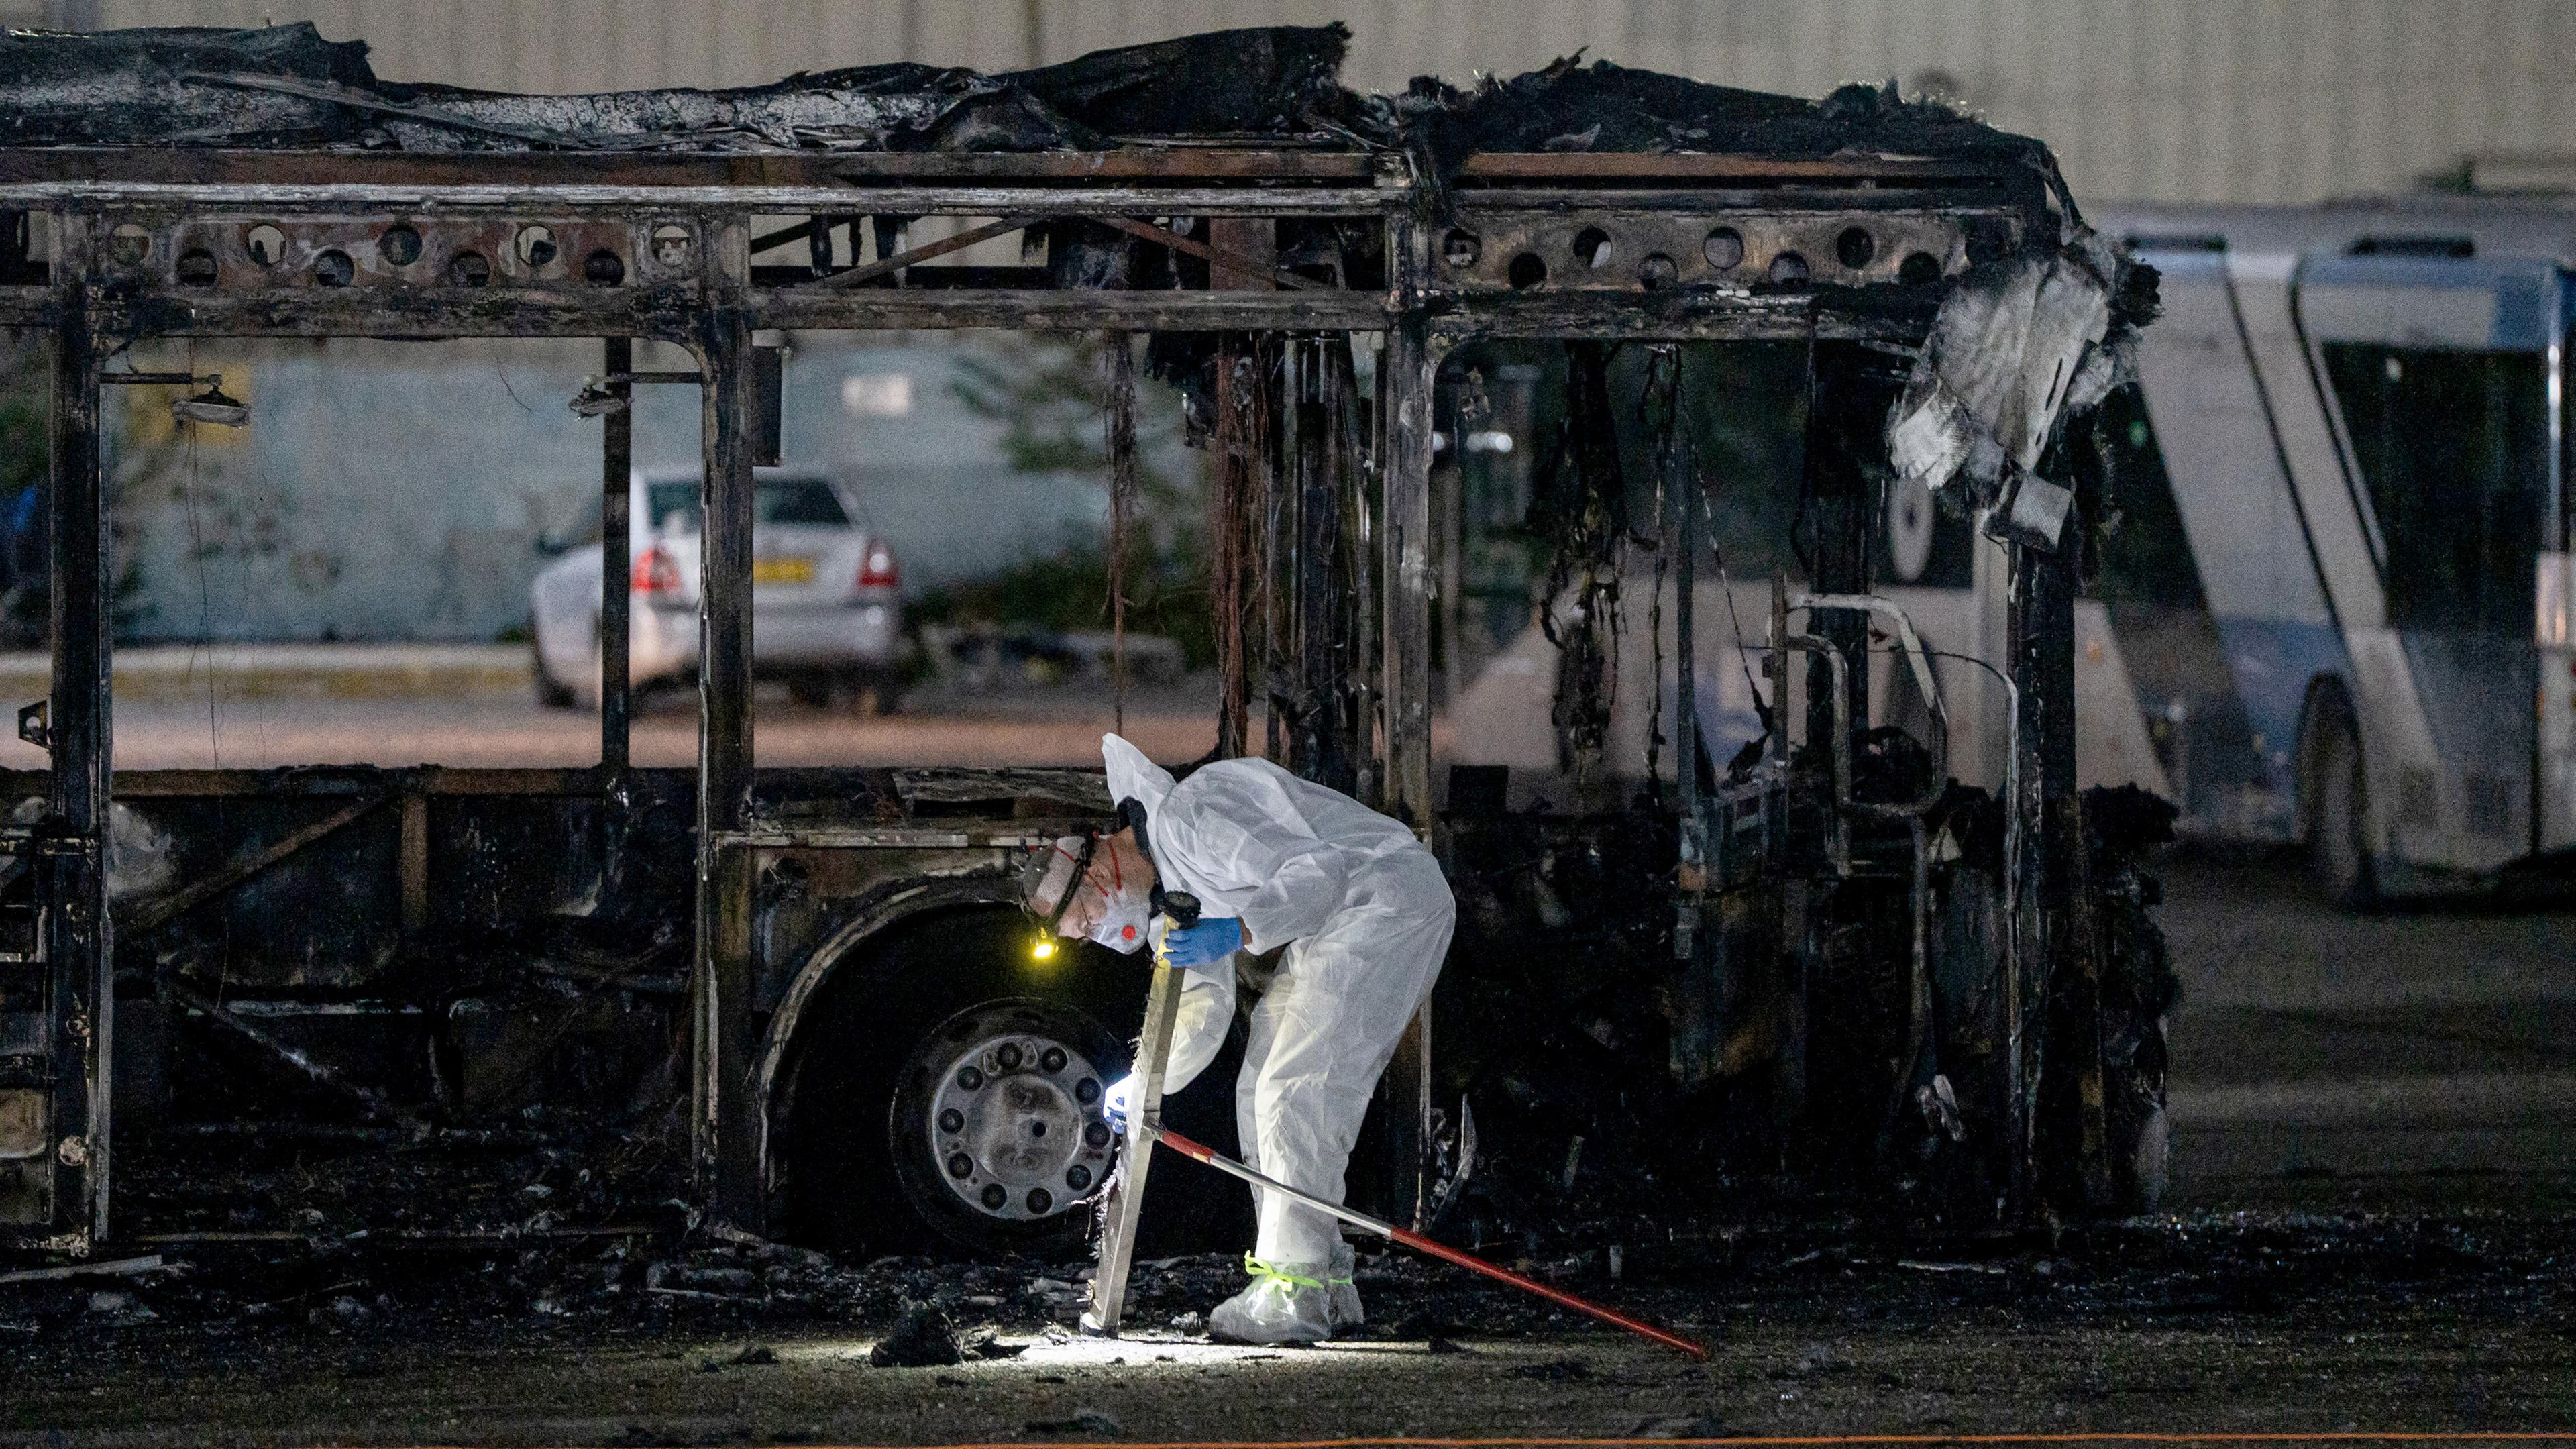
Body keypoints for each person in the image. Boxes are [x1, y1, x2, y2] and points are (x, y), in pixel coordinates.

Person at [1021, 733, 1454, 1344]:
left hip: (1384, 901)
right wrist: (1144, 1084)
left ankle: (1293, 1293)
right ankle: (1326, 1282)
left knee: (1295, 1088)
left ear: (1098, 869)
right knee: (1259, 1089)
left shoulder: (1197, 818)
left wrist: (1245, 927)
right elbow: (1202, 1005)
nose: (1099, 934)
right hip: (1339, 924)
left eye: (1088, 922)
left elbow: (1319, 870)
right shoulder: (1170, 896)